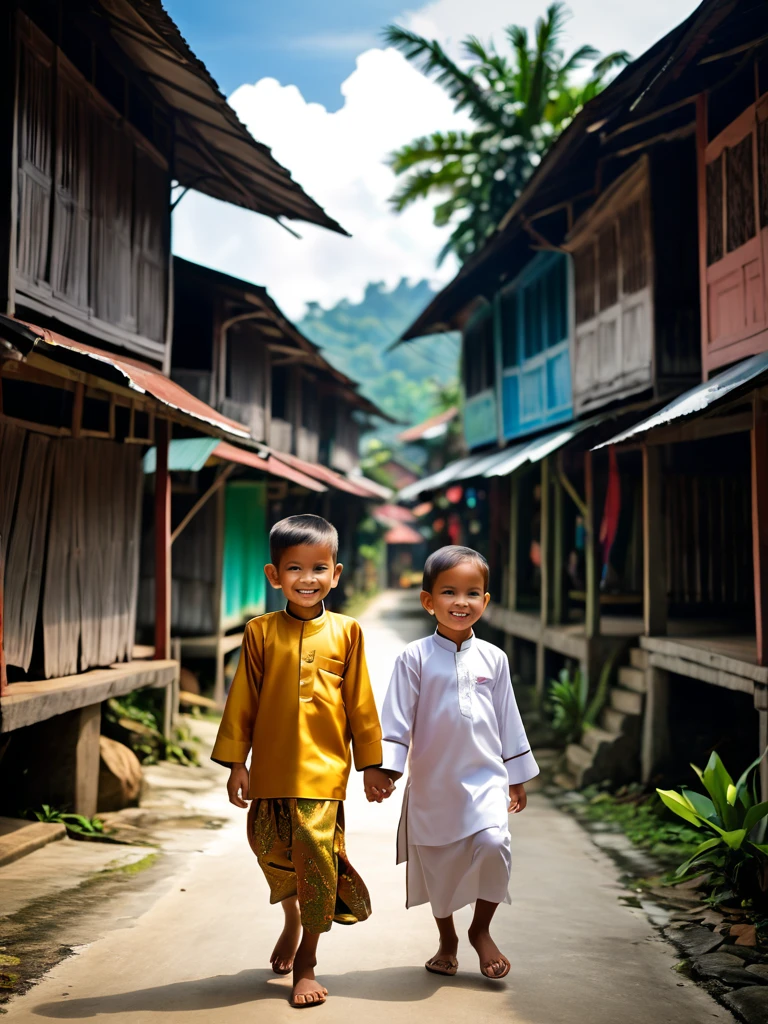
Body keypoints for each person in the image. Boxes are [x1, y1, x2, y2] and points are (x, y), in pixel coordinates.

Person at [211, 514, 394, 1008]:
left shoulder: (348, 632)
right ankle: (291, 915)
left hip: (324, 773)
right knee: (268, 850)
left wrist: (372, 763)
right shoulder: (259, 632)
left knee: (314, 859)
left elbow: (361, 703)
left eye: (319, 568)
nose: (307, 579)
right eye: (295, 568)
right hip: (270, 770)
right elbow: (242, 702)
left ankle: (308, 961)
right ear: (275, 576)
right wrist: (236, 764)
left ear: (335, 574)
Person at [376, 545, 539, 980]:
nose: (461, 602)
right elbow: (395, 719)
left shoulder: (495, 659)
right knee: (439, 866)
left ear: (485, 601)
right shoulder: (414, 658)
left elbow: (508, 719)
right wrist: (387, 770)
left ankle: (480, 930)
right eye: (449, 592)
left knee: (494, 845)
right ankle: (447, 939)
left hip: (486, 779)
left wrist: (517, 776)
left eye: (473, 593)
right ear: (428, 600)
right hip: (433, 783)